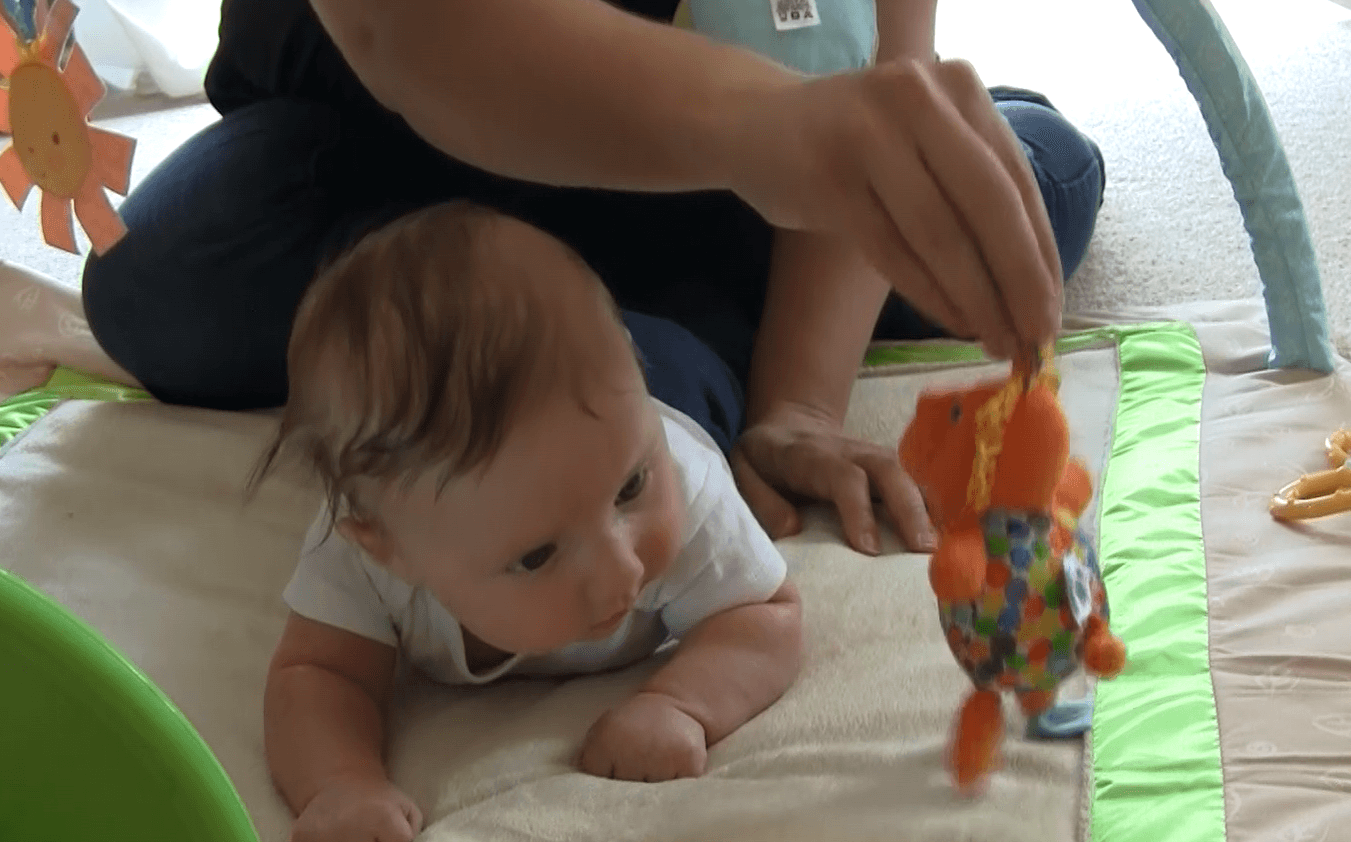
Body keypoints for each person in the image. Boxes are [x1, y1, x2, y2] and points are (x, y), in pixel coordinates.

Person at [82, 0, 1105, 558]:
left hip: (733, 171)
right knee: (160, 287)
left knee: (1009, 193)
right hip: (383, 135)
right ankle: (630, 323)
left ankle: (637, 330)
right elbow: (408, 33)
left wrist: (800, 401)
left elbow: (873, 57)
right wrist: (783, 129)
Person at [252, 201, 803, 842]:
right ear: (387, 549)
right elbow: (317, 673)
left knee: (705, 353)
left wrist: (681, 703)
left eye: (629, 491)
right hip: (600, 412)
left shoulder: (679, 479)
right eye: (538, 555)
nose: (622, 569)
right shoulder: (360, 553)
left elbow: (766, 616)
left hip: (677, 376)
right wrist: (339, 781)